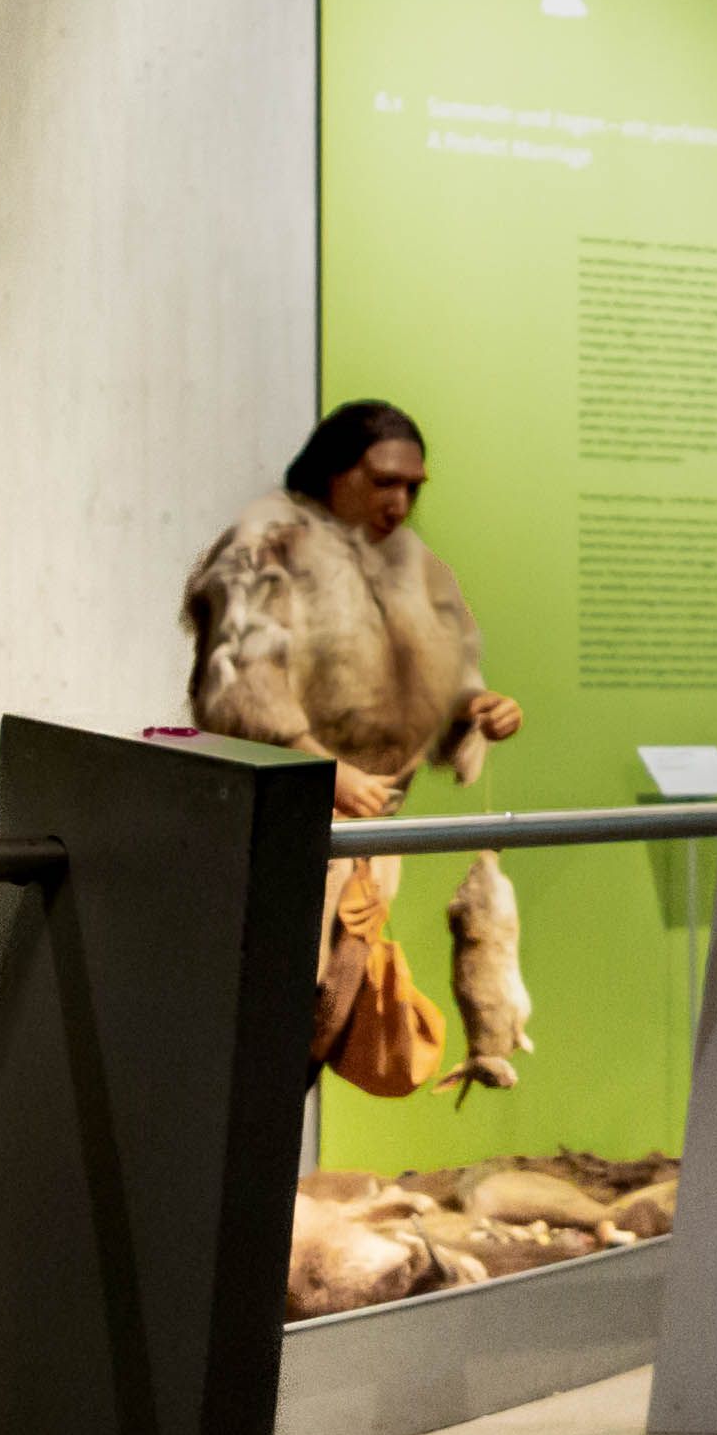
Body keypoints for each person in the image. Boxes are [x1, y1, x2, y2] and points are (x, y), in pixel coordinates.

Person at [185, 400, 531, 1092]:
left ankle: (264, 1190)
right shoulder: (266, 546)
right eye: (383, 482)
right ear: (336, 473)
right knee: (259, 1024)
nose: (399, 502)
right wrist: (318, 765)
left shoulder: (417, 570)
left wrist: (475, 710)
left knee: (324, 1018)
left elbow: (442, 680)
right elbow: (238, 683)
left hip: (364, 845)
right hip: (277, 833)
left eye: (412, 487)